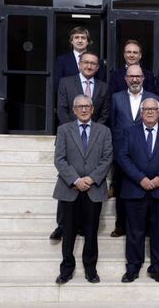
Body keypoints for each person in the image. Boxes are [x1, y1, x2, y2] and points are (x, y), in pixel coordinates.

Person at [118, 98, 159, 283]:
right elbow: (122, 156)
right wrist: (141, 179)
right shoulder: (129, 132)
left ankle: (157, 267)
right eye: (146, 109)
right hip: (135, 189)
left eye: (154, 109)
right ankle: (133, 268)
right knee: (135, 231)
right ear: (141, 112)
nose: (150, 112)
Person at [53, 94, 113, 284]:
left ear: (93, 109)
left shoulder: (104, 131)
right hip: (70, 189)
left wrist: (91, 179)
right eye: (80, 106)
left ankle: (90, 269)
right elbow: (59, 160)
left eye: (87, 106)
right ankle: (66, 269)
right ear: (74, 110)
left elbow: (107, 159)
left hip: (93, 189)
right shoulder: (63, 130)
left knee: (91, 231)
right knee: (68, 231)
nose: (84, 109)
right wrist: (76, 180)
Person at [50, 51, 109, 240]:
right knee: (67, 185)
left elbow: (104, 113)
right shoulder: (66, 82)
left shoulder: (103, 87)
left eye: (93, 64)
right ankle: (62, 225)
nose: (89, 66)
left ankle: (84, 225)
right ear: (80, 64)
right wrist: (73, 129)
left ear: (97, 67)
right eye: (86, 63)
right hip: (70, 136)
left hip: (94, 137)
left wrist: (93, 129)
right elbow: (62, 109)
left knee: (89, 194)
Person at [109, 64, 159, 238]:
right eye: (131, 76)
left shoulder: (153, 98)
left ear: (143, 78)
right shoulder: (116, 98)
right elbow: (113, 124)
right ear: (126, 79)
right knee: (122, 190)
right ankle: (120, 225)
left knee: (144, 191)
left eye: (138, 76)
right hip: (121, 152)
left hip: (145, 151)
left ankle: (145, 226)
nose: (135, 79)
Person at [54, 26, 104, 91]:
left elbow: (101, 84)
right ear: (71, 41)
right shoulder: (62, 60)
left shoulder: (97, 61)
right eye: (76, 37)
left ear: (88, 42)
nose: (80, 41)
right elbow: (57, 84)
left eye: (83, 38)